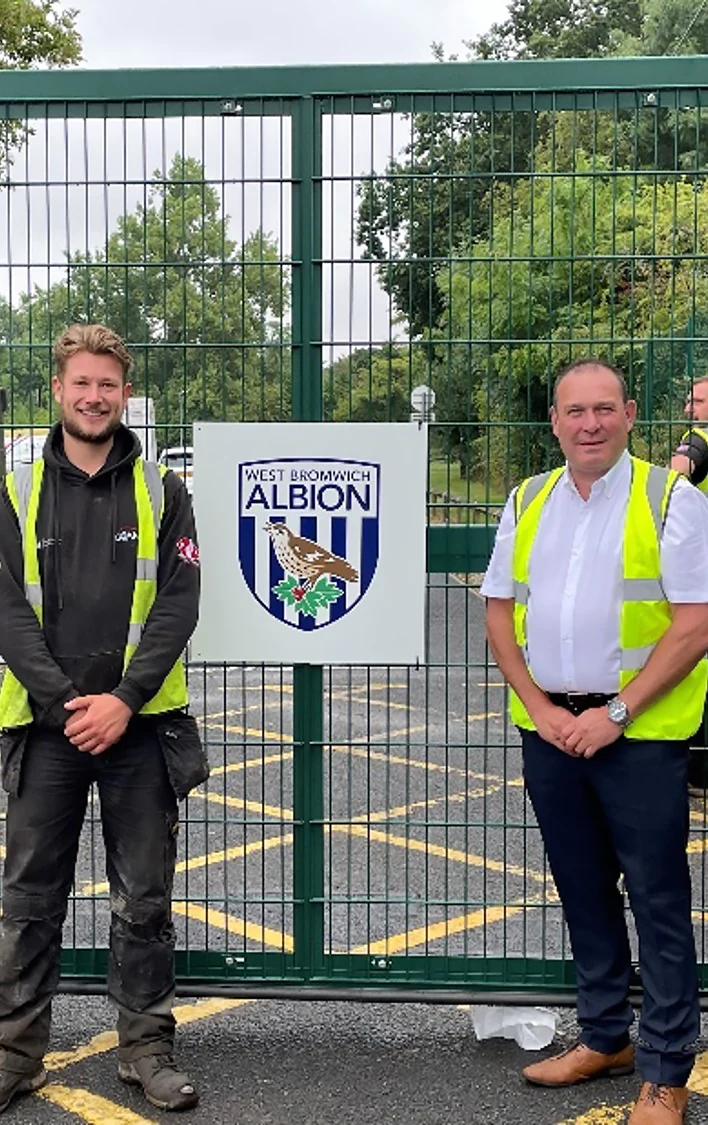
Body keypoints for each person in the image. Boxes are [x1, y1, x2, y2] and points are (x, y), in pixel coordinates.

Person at [481, 357, 708, 1125]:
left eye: (604, 409)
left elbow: (695, 625)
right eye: (574, 411)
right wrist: (539, 707)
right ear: (553, 420)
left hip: (639, 734)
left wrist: (614, 711)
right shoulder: (529, 498)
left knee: (658, 899)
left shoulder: (670, 498)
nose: (589, 423)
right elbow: (497, 613)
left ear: (631, 413)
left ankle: (666, 1070)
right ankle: (606, 1034)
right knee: (582, 890)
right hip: (551, 730)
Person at [0, 324, 208, 1115]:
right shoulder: (15, 489)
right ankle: (16, 1052)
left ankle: (146, 1048)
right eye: (81, 383)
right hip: (46, 731)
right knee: (28, 900)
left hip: (141, 729)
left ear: (125, 393)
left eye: (109, 385)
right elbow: (6, 609)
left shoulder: (164, 490)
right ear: (58, 389)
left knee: (144, 900)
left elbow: (179, 606)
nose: (95, 396)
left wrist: (121, 701)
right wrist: (64, 703)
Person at [671, 375, 708, 795]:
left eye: (697, 400)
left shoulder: (699, 437)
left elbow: (679, 473)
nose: (688, 409)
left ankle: (697, 772)